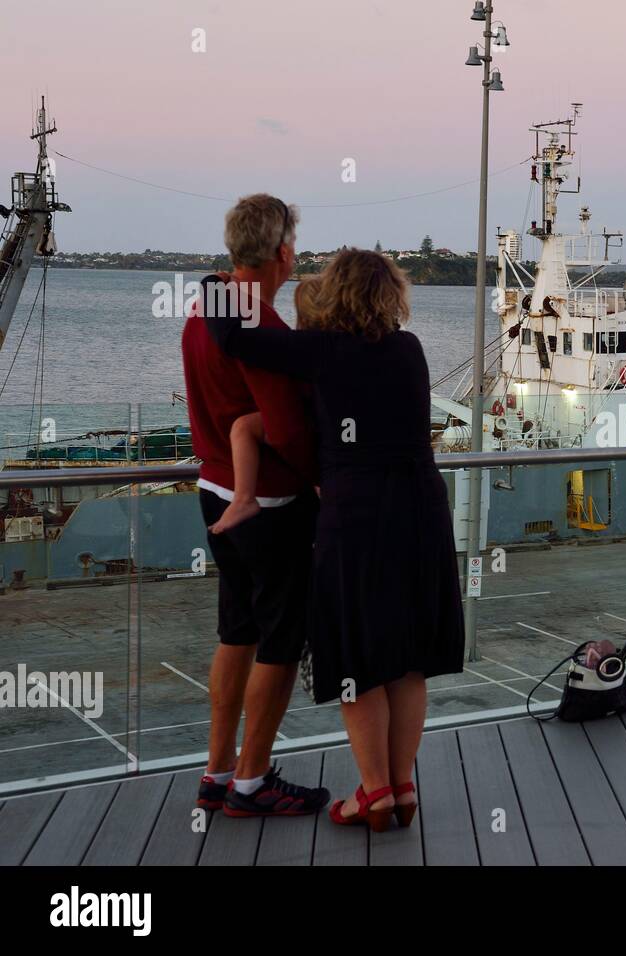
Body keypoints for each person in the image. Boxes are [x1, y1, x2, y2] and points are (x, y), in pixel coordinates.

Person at [201, 248, 465, 833]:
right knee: (409, 659)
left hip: (357, 518)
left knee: (357, 657)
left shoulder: (324, 352)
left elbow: (234, 340)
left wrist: (215, 283)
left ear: (337, 295)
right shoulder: (410, 350)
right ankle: (401, 785)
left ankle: (373, 794)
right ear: (390, 295)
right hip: (422, 511)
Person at [180, 193, 330, 817]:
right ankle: (252, 780)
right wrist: (323, 476)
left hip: (215, 492)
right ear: (280, 250)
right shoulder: (262, 325)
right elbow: (285, 425)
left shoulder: (202, 311)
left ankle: (216, 773)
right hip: (269, 504)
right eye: (291, 242)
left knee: (235, 632)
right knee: (280, 640)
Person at [207, 277, 326, 535]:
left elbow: (232, 336)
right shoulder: (356, 344)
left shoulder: (300, 345)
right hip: (332, 433)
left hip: (306, 424)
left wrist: (212, 284)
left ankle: (243, 498)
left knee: (242, 428)